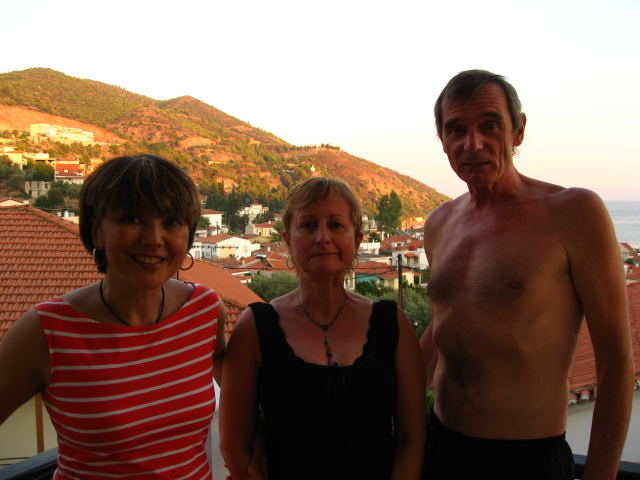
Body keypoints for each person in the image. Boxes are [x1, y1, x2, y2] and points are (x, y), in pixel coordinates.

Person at [419, 69, 634, 480]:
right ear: (443, 139)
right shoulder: (439, 223)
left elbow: (616, 362)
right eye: (457, 129)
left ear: (518, 130)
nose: (472, 143)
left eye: (490, 125)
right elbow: (443, 322)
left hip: (525, 459)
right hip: (440, 446)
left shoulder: (573, 213)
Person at [0, 154, 227, 479]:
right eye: (132, 219)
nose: (153, 238)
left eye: (172, 222)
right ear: (97, 231)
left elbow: (234, 384)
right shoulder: (47, 330)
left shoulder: (205, 310)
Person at [220, 177, 425, 480]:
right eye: (308, 225)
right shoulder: (255, 327)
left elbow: (411, 439)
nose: (322, 237)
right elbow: (234, 445)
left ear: (357, 239)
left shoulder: (392, 325)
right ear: (288, 238)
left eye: (336, 225)